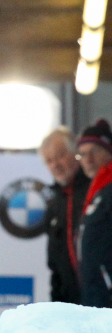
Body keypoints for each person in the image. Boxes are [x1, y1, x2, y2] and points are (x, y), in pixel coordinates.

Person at [39, 127, 90, 303]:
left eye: (61, 155)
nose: (55, 165)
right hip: (70, 303)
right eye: (49, 160)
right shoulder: (54, 203)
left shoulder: (98, 190)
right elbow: (55, 264)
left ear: (76, 153)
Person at [75, 119, 112, 308]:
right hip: (96, 294)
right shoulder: (96, 191)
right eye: (82, 154)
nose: (88, 159)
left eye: (94, 152)